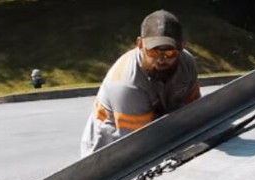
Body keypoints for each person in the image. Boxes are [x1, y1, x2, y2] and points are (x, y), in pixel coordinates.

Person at [79, 10, 201, 157]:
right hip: (109, 155)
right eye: (153, 52)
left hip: (161, 138)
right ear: (140, 44)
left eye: (169, 53)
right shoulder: (126, 84)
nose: (161, 59)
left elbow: (193, 114)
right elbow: (139, 147)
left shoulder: (187, 64)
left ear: (182, 47)